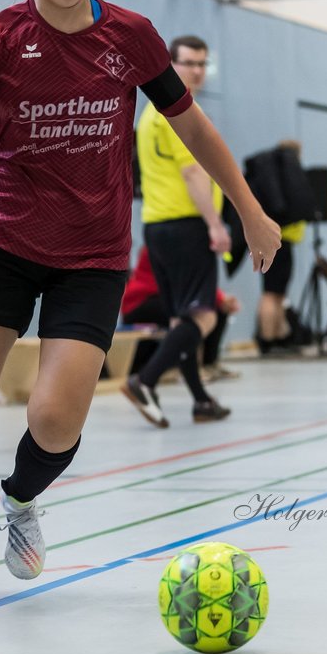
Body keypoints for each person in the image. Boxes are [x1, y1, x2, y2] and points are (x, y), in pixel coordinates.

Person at [0, 0, 280, 603]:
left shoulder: (130, 36)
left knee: (54, 416)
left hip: (93, 255)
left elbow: (192, 127)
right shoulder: (1, 37)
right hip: (5, 244)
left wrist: (251, 209)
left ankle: (19, 501)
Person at [126, 34, 233, 426]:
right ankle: (145, 380)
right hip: (187, 227)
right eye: (189, 63)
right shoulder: (179, 113)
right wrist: (215, 224)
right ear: (171, 65)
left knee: (179, 320)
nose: (197, 71)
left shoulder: (151, 114)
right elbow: (193, 173)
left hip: (157, 227)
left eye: (203, 64)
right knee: (204, 316)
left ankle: (200, 400)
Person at [120, 247, 242, 381]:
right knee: (192, 317)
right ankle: (187, 373)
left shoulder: (188, 241)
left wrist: (221, 299)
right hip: (141, 301)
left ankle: (209, 363)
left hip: (167, 296)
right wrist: (220, 298)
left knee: (217, 308)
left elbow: (198, 279)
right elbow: (181, 278)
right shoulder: (169, 239)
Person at [253, 140, 307, 354]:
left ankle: (276, 335)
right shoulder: (282, 176)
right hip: (278, 240)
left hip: (284, 240)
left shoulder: (278, 177)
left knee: (278, 293)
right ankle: (267, 339)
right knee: (271, 291)